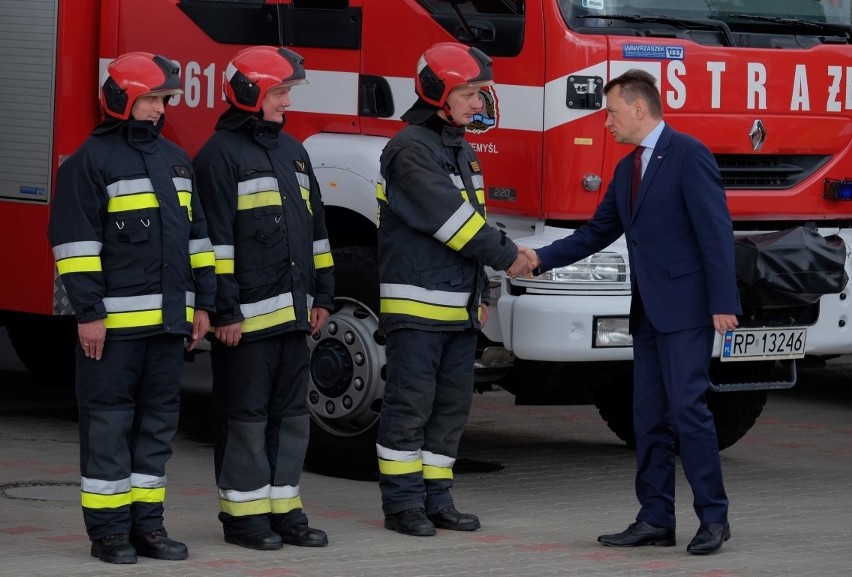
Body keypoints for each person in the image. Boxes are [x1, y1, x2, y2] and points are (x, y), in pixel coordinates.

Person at [524, 69, 740, 555]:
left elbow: (715, 231)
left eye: (612, 112)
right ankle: (656, 517)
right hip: (647, 313)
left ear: (639, 109)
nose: (607, 123)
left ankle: (713, 517)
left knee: (689, 412)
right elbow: (596, 232)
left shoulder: (688, 155)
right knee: (647, 418)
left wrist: (724, 301)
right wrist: (540, 257)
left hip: (687, 309)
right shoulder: (627, 170)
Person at [47, 52, 216, 564]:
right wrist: (89, 314)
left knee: (156, 430)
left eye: (163, 100)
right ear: (119, 100)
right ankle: (109, 534)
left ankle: (149, 528)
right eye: (149, 99)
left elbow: (198, 240)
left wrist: (203, 305)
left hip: (167, 328)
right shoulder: (88, 163)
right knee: (108, 428)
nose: (159, 110)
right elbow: (73, 245)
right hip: (113, 333)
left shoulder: (175, 160)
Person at [375, 41, 534, 537]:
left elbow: (474, 222)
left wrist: (483, 293)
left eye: (480, 94)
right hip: (417, 310)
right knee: (409, 408)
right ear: (437, 93)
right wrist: (511, 256)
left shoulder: (458, 148)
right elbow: (456, 225)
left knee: (448, 411)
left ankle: (437, 499)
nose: (478, 104)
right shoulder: (409, 150)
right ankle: (403, 506)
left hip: (457, 311)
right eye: (468, 93)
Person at [192, 46, 334, 551]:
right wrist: (225, 311)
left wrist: (322, 295)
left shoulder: (292, 150)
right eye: (279, 92)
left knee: (291, 418)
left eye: (287, 93)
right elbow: (214, 245)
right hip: (245, 324)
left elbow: (316, 229)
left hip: (294, 317)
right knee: (245, 419)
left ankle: (285, 509)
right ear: (250, 93)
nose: (286, 103)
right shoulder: (218, 156)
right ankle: (244, 517)